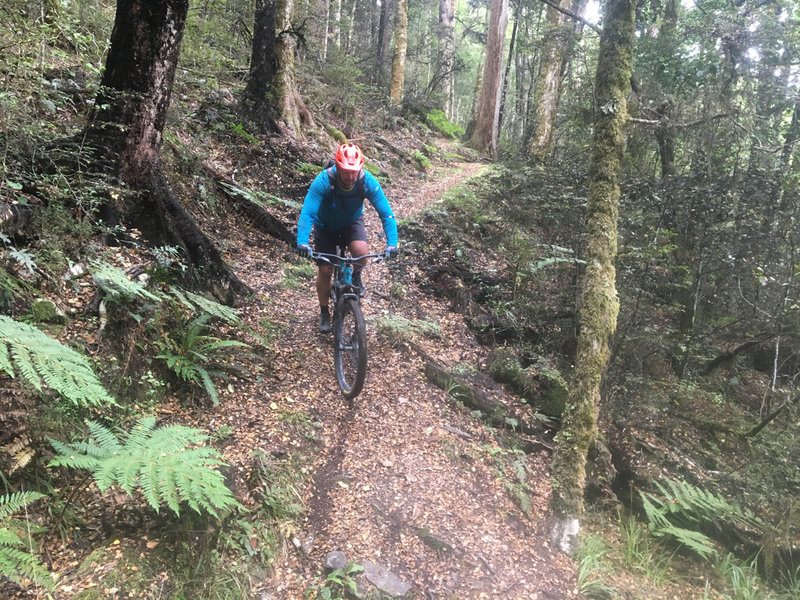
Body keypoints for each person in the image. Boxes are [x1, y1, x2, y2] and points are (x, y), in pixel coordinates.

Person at [296, 143, 399, 333]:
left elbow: (386, 214)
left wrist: (392, 243)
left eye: (354, 172)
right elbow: (308, 212)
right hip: (325, 227)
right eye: (345, 172)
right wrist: (302, 242)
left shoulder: (366, 181)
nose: (350, 177)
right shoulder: (324, 181)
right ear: (337, 166)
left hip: (352, 223)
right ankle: (324, 311)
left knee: (361, 254)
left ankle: (356, 275)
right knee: (325, 271)